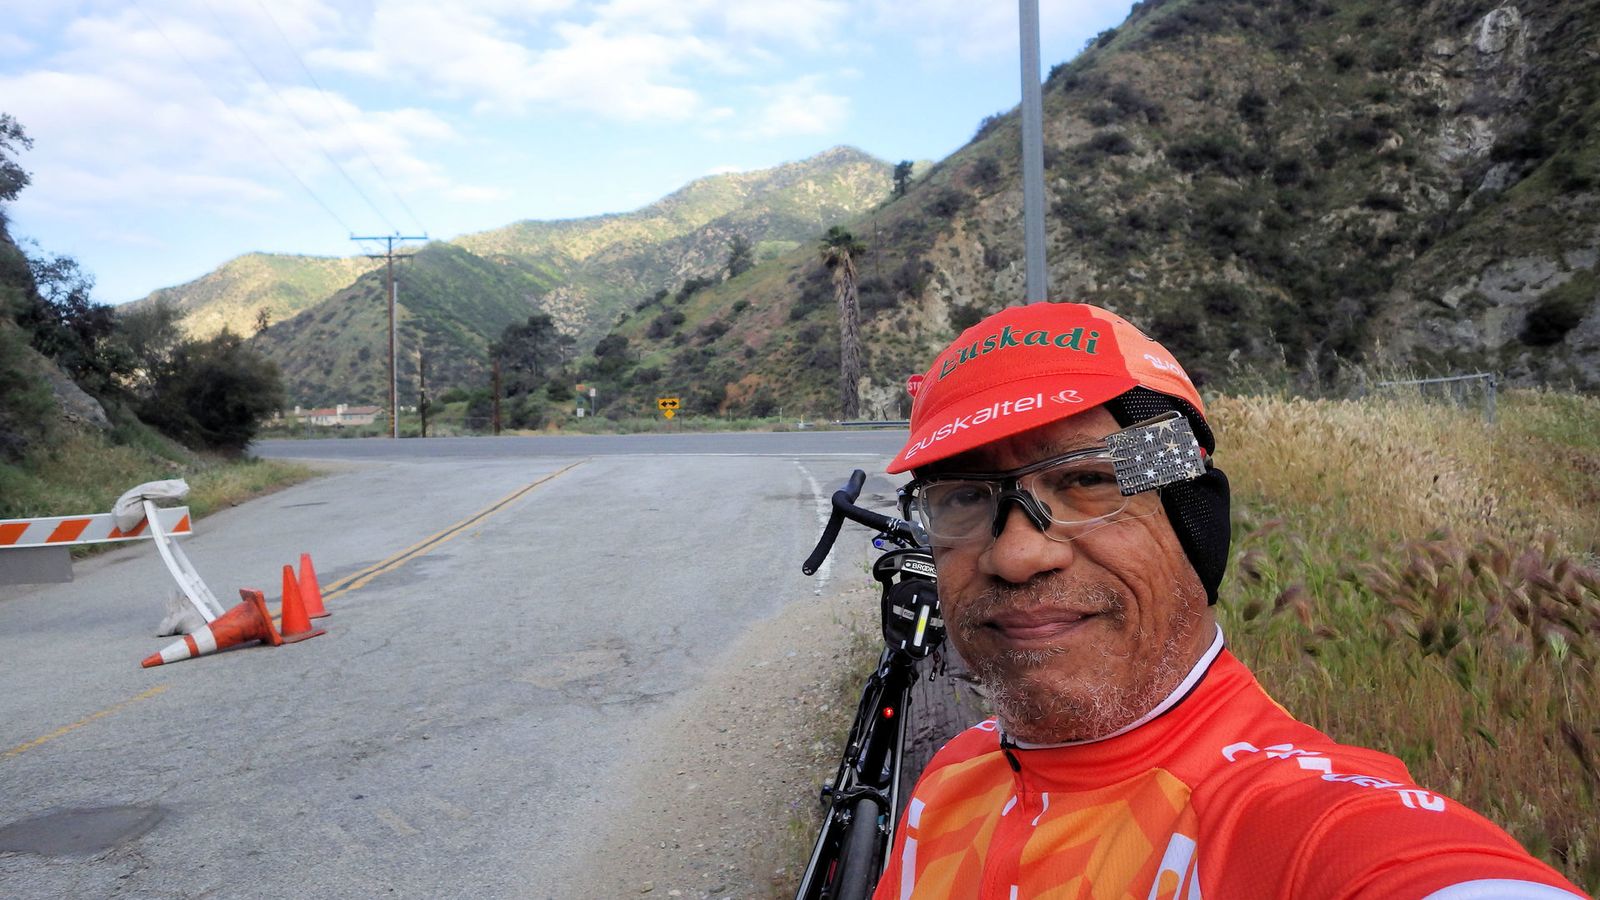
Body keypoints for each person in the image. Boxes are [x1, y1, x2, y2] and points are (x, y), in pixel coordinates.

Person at [873, 302, 1585, 899]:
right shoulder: (951, 778)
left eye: (1089, 480)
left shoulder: (1288, 817)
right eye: (963, 497)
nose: (1014, 555)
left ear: (1195, 523)